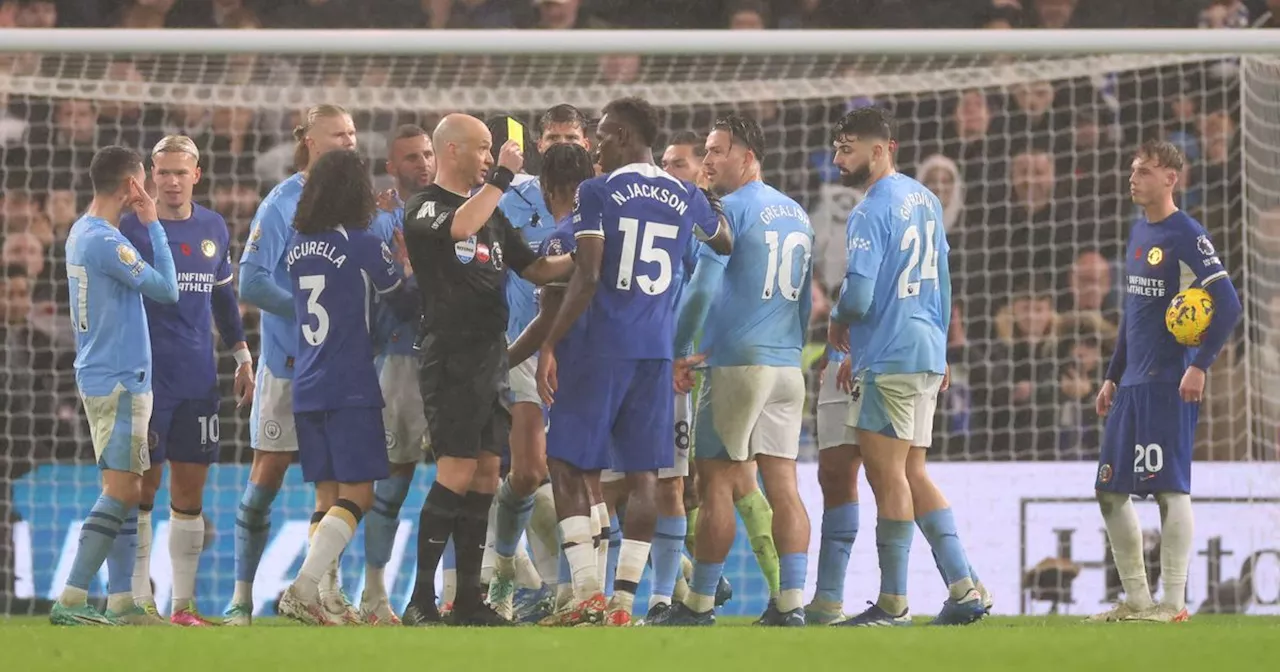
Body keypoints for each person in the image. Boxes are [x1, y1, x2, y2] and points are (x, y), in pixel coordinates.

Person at [536, 96, 732, 626]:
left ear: (622, 135)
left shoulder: (596, 191)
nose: (595, 144)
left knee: (567, 463)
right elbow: (725, 240)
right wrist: (704, 205)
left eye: (601, 134)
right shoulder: (684, 193)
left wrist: (551, 344)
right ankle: (624, 603)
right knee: (646, 475)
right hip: (656, 350)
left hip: (602, 344)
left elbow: (589, 271)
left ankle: (584, 596)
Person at [400, 113, 573, 626]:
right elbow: (460, 226)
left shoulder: (494, 216)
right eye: (481, 149)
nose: (488, 158)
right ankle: (420, 600)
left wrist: (590, 257)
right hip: (449, 354)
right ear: (451, 150)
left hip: (490, 355)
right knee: (454, 470)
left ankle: (469, 600)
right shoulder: (426, 207)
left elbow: (536, 268)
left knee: (484, 475)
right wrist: (501, 177)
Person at [825, 106, 986, 627]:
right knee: (913, 469)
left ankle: (893, 602)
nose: (837, 157)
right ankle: (964, 586)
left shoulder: (870, 210)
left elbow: (860, 294)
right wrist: (938, 348)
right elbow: (943, 277)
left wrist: (837, 320)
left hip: (891, 352)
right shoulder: (926, 199)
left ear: (879, 149)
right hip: (922, 348)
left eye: (846, 147)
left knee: (887, 473)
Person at [657, 114, 813, 627]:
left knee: (717, 482)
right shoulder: (796, 213)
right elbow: (806, 302)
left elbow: (701, 289)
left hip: (737, 365)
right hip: (787, 366)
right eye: (705, 151)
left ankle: (699, 602)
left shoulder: (726, 211)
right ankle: (791, 603)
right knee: (782, 482)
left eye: (718, 151)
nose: (708, 160)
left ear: (748, 157)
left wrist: (679, 348)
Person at [1091, 140, 1241, 623]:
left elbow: (1229, 305)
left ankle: (1173, 603)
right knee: (1109, 491)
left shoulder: (1187, 234)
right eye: (1133, 170)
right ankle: (1137, 598)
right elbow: (1134, 317)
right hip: (1131, 384)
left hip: (1169, 382)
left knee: (1168, 490)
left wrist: (1200, 365)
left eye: (1144, 171)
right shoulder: (1138, 231)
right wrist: (1111, 377)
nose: (1133, 178)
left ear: (1171, 178)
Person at [228, 104, 358, 626]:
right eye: (337, 134)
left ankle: (328, 593)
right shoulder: (282, 204)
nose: (349, 142)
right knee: (269, 476)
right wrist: (312, 308)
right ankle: (241, 598)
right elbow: (252, 282)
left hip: (340, 365)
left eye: (352, 133)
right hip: (287, 362)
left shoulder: (357, 205)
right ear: (307, 139)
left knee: (334, 479)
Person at [277, 148, 419, 625]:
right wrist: (410, 266)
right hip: (350, 382)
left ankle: (323, 596)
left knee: (330, 495)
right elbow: (402, 303)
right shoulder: (361, 243)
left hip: (308, 382)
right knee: (358, 495)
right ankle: (302, 587)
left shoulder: (297, 244)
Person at [119, 135, 253, 626]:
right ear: (151, 176)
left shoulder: (213, 226)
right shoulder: (130, 228)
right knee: (142, 490)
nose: (172, 181)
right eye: (164, 172)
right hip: (146, 378)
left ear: (197, 174)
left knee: (190, 495)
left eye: (181, 172)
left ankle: (183, 606)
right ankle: (138, 600)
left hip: (199, 378)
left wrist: (241, 355)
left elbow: (223, 300)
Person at [50, 145, 179, 626]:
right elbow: (168, 289)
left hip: (106, 373)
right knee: (122, 488)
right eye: (143, 180)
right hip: (120, 378)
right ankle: (71, 596)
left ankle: (122, 601)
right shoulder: (106, 241)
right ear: (131, 185)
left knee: (126, 487)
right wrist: (154, 225)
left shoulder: (82, 231)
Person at [489, 104, 592, 622]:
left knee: (587, 479)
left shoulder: (601, 201)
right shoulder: (510, 196)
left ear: (587, 142)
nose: (557, 144)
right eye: (549, 137)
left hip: (585, 354)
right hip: (523, 346)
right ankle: (503, 573)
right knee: (528, 474)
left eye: (568, 136)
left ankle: (577, 591)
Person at [361, 123, 435, 625]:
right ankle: (372, 593)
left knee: (471, 477)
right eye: (411, 157)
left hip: (455, 358)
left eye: (427, 153)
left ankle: (458, 591)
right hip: (400, 359)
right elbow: (402, 302)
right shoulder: (381, 226)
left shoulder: (458, 211)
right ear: (392, 167)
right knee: (392, 482)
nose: (422, 164)